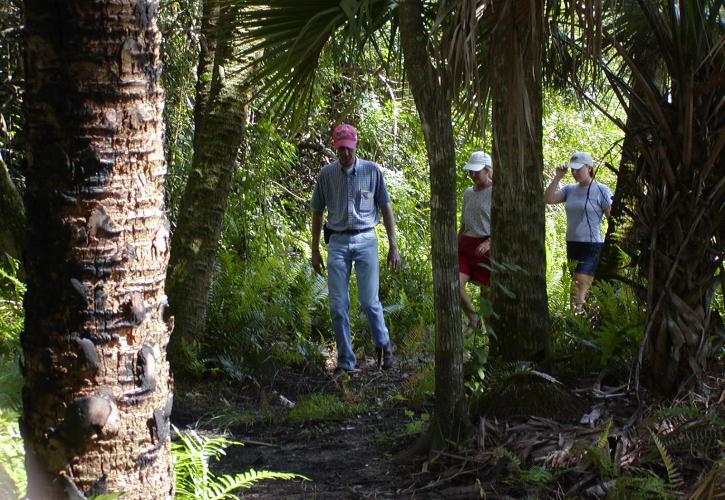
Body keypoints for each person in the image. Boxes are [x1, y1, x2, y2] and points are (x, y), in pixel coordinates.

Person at [310, 123, 401, 373]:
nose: (345, 154)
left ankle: (384, 344)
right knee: (338, 305)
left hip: (366, 240)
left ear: (356, 145)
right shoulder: (326, 175)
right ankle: (345, 361)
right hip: (337, 242)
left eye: (349, 149)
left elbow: (385, 207)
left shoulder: (372, 171)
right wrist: (314, 249)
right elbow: (317, 212)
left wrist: (393, 245)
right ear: (335, 148)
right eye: (341, 149)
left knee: (369, 300)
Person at [544, 151, 613, 313]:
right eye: (573, 169)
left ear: (589, 168)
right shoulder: (569, 190)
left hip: (592, 245)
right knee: (577, 284)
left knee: (580, 280)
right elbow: (548, 199)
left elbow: (612, 219)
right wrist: (557, 177)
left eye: (578, 169)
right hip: (572, 243)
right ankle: (582, 319)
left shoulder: (601, 190)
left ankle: (578, 315)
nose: (575, 173)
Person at [458, 151, 493, 330]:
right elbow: (463, 223)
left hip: (485, 248)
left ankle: (488, 339)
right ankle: (473, 319)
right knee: (455, 284)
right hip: (466, 246)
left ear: (487, 170)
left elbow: (502, 223)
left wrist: (489, 243)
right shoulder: (468, 193)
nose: (472, 175)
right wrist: (456, 244)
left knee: (486, 298)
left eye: (476, 172)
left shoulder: (495, 192)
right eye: (470, 172)